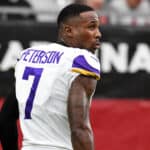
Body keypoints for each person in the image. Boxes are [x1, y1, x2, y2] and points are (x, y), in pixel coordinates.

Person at [15, 3, 101, 150]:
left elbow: (5, 119)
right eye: (91, 27)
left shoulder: (27, 55)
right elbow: (79, 128)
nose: (98, 34)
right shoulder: (80, 59)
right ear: (68, 30)